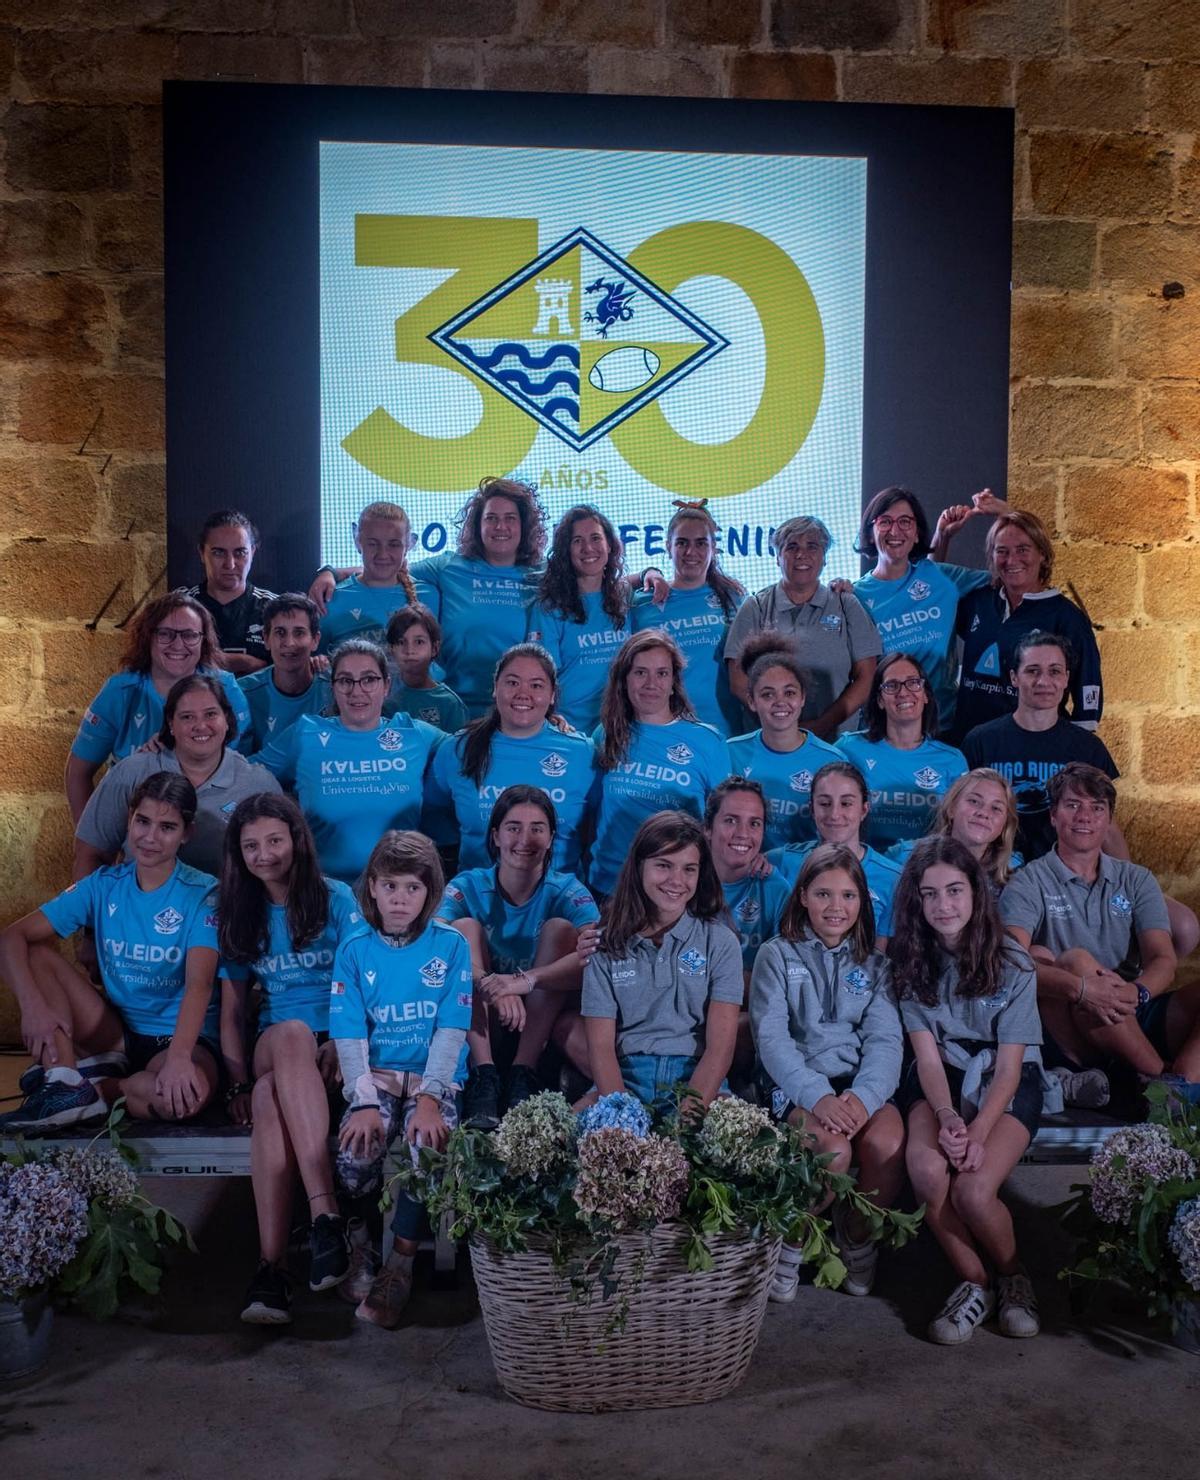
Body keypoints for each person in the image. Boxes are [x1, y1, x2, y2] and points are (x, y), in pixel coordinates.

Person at [0, 774, 239, 1131]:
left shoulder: (204, 895)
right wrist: (33, 1008)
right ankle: (64, 1078)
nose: (149, 837)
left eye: (167, 827)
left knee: (175, 1101)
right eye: (142, 821)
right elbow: (11, 937)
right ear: (129, 818)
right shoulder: (103, 884)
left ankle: (92, 1089)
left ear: (186, 833)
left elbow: (199, 986)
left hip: (182, 1038)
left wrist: (178, 1058)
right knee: (32, 950)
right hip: (117, 1033)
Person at [889, 836, 1045, 1345]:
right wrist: (947, 1117)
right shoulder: (911, 963)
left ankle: (1014, 1276)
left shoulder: (1014, 963)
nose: (942, 906)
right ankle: (974, 1282)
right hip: (942, 1078)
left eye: (954, 891)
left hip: (1004, 1076)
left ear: (976, 894)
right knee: (928, 1169)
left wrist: (977, 1129)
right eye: (929, 895)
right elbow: (928, 1059)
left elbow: (1009, 1069)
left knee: (974, 1189)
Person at [217, 795, 361, 1325]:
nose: (264, 855)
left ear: (297, 840)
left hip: (335, 1049)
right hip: (275, 1041)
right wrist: (234, 1083)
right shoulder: (236, 910)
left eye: (274, 840)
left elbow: (361, 985)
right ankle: (326, 1214)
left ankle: (270, 1271)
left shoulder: (337, 899)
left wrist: (345, 1045)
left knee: (267, 1098)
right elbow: (232, 1013)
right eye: (250, 845)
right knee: (290, 1033)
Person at [330, 830, 473, 1328]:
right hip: (379, 1079)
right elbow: (348, 1035)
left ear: (430, 892)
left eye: (413, 888)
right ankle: (363, 1243)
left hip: (434, 1081)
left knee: (427, 1149)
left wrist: (432, 1097)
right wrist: (364, 1099)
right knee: (354, 1152)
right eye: (390, 885)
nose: (400, 898)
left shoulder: (450, 946)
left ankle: (401, 1263)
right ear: (371, 887)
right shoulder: (354, 949)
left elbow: (452, 1029)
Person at [750, 843, 904, 1303]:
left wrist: (863, 1098)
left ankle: (856, 1237)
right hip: (798, 1089)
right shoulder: (776, 956)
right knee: (832, 1153)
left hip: (857, 1087)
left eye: (848, 896)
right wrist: (818, 1097)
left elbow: (886, 1042)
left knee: (888, 1144)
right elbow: (772, 1040)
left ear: (862, 901)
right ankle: (790, 1242)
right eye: (823, 895)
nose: (836, 907)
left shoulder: (877, 966)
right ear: (802, 897)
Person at [1001, 763, 1200, 1108]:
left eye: (1097, 808)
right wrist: (1081, 988)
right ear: (1053, 816)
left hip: (1132, 1008)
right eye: (1073, 805)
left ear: (1108, 821)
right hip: (1072, 1021)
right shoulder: (1028, 880)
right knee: (1069, 959)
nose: (1085, 816)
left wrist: (1136, 992)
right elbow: (1010, 962)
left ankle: (1181, 1086)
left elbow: (1163, 958)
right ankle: (1158, 1079)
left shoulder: (1136, 878)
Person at [437, 786, 600, 1129]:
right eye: (513, 827)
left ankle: (523, 1074)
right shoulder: (467, 884)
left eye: (537, 828)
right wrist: (491, 985)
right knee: (461, 929)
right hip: (484, 1016)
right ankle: (484, 1076)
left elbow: (596, 957)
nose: (525, 839)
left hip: (541, 1023)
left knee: (559, 929)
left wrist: (522, 982)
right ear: (495, 835)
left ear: (552, 837)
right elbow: (432, 945)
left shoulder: (568, 889)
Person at [581, 812, 742, 1115]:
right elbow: (600, 1049)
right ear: (639, 866)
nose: (676, 881)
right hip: (625, 1076)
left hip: (698, 1080)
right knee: (565, 1144)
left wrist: (689, 1115)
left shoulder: (721, 943)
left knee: (735, 1145)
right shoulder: (604, 944)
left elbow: (720, 1050)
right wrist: (623, 1116)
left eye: (689, 869)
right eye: (664, 865)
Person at [255, 639, 443, 885]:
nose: (357, 691)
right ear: (333, 687)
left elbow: (473, 748)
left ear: (386, 685)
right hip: (323, 891)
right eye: (345, 680)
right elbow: (247, 775)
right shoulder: (306, 734)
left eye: (369, 679)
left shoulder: (415, 734)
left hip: (398, 893)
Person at [65, 590, 252, 822]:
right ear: (148, 637)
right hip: (136, 835)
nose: (178, 644)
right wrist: (92, 843)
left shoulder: (227, 689)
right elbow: (78, 774)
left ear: (203, 640)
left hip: (210, 829)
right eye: (165, 634)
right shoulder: (120, 691)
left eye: (189, 635)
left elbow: (241, 773)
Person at [75, 675, 281, 879]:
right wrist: (91, 911)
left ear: (227, 719)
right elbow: (90, 855)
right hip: (137, 906)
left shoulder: (259, 785)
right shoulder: (131, 772)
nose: (200, 726)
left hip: (226, 908)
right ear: (171, 724)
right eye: (187, 717)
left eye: (210, 714)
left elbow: (278, 869)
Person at [425, 644, 595, 875]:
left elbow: (597, 825)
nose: (523, 693)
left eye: (536, 685)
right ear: (495, 687)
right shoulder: (458, 749)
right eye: (513, 682)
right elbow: (434, 811)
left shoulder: (581, 753)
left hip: (557, 899)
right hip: (477, 899)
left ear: (552, 694)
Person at [589, 631, 731, 898]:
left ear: (674, 681)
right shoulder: (606, 734)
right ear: (624, 679)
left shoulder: (708, 741)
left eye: (662, 673)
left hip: (673, 889)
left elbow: (723, 821)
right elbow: (591, 812)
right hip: (610, 887)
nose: (651, 683)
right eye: (640, 673)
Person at [947, 508, 1103, 742]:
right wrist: (942, 537)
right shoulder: (978, 602)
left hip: (1032, 751)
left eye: (1022, 549)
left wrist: (1074, 752)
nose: (1012, 560)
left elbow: (1087, 694)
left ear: (1042, 553)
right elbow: (930, 593)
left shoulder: (1066, 617)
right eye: (1002, 551)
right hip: (970, 747)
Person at [961, 631, 1118, 862]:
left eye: (1054, 671)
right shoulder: (980, 741)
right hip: (994, 873)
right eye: (1032, 671)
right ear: (1014, 677)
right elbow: (959, 820)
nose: (1043, 681)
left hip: (1064, 874)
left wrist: (1129, 884)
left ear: (1066, 678)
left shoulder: (1088, 747)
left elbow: (1107, 826)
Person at [724, 515, 880, 739]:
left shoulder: (846, 604)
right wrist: (781, 722)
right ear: (778, 557)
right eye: (792, 546)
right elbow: (738, 681)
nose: (801, 554)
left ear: (825, 558)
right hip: (770, 743)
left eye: (812, 546)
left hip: (835, 744)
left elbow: (867, 677)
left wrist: (822, 724)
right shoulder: (755, 607)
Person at [852, 486, 995, 731]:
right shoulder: (854, 597)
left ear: (917, 533)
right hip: (884, 733)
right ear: (868, 534)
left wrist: (1004, 512)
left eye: (905, 521)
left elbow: (1013, 571)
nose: (895, 530)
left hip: (943, 729)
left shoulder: (941, 578)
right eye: (885, 521)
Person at [410, 477, 546, 716]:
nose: (500, 527)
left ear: (524, 526)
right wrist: (330, 572)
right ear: (477, 525)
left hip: (517, 713)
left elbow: (597, 578)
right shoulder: (448, 566)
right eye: (491, 518)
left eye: (510, 519)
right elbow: (388, 570)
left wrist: (638, 577)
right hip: (452, 711)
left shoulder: (544, 573)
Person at [631, 500, 745, 735]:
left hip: (724, 731)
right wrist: (647, 572)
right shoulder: (643, 602)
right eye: (682, 543)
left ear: (714, 547)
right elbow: (601, 589)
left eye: (701, 543)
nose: (691, 552)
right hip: (661, 730)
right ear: (668, 546)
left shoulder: (733, 598)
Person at [837, 653, 968, 851]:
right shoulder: (849, 748)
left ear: (925, 695)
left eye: (913, 683)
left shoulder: (952, 760)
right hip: (864, 869)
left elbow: (959, 830)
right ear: (880, 700)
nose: (903, 693)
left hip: (927, 869)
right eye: (891, 686)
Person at [726, 636, 842, 852]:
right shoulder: (730, 753)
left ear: (803, 698)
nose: (780, 702)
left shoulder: (832, 761)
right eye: (768, 694)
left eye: (789, 693)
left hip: (808, 874)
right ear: (751, 701)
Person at [767, 761, 904, 944]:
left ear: (864, 809)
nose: (834, 814)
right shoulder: (781, 862)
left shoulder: (892, 878)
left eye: (846, 803)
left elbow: (879, 956)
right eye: (825, 803)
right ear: (812, 809)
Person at [527, 503, 632, 734]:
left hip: (620, 728)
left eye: (595, 538)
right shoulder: (550, 607)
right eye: (577, 541)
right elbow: (541, 675)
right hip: (569, 728)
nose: (588, 548)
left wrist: (651, 572)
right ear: (566, 550)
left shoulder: (624, 597)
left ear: (609, 545)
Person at [704, 778, 791, 978]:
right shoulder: (685, 882)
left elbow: (782, 978)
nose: (743, 833)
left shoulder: (776, 889)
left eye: (754, 823)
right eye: (731, 820)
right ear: (708, 828)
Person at [889, 767, 1020, 896]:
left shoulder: (1016, 869)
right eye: (974, 801)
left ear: (1005, 824)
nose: (984, 813)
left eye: (996, 808)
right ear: (951, 808)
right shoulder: (903, 857)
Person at [311, 500, 418, 652]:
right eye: (373, 544)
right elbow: (315, 662)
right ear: (357, 542)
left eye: (393, 544)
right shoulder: (330, 600)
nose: (383, 554)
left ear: (408, 546)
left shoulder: (428, 594)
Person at [181, 509, 275, 676]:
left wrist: (204, 660)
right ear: (202, 553)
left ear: (252, 552)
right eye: (219, 553)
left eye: (240, 552)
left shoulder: (274, 608)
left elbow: (293, 671)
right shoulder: (179, 607)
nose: (230, 564)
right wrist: (245, 662)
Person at [238, 594, 332, 755]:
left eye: (299, 633)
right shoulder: (243, 693)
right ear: (266, 639)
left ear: (315, 640)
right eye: (280, 632)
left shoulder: (335, 689)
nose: (289, 643)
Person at [383, 604, 468, 734]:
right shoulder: (381, 696)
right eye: (401, 642)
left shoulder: (449, 703)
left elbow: (456, 751)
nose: (409, 651)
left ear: (434, 648)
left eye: (419, 642)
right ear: (391, 649)